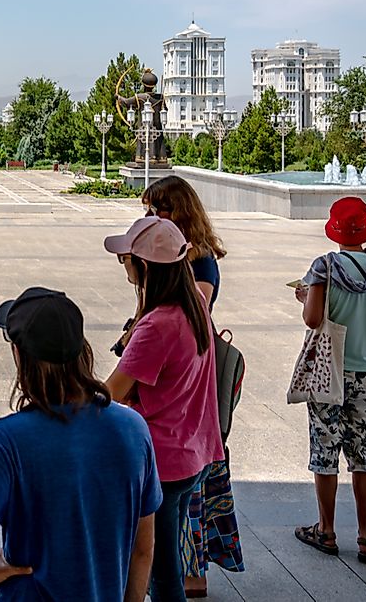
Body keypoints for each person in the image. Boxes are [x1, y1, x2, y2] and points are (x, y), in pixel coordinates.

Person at [0, 287, 162, 601]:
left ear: (19, 355)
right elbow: (142, 549)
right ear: (82, 349)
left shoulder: (6, 444)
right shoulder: (133, 429)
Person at [103, 216, 222, 602]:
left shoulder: (158, 324)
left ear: (145, 266)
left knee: (160, 568)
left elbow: (112, 393)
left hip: (163, 462)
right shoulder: (195, 307)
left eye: (126, 258)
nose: (124, 265)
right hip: (194, 452)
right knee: (166, 556)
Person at [142, 176, 243, 597]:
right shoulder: (164, 256)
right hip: (179, 363)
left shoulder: (199, 261)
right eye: (148, 210)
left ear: (179, 212)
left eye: (159, 210)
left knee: (188, 482)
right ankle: (179, 572)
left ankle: (191, 571)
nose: (151, 218)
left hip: (190, 372)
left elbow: (195, 305)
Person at [292, 196, 366, 566]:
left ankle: (325, 530)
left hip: (330, 368)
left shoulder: (324, 268)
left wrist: (306, 296)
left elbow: (312, 320)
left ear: (335, 231)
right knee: (364, 450)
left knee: (325, 448)